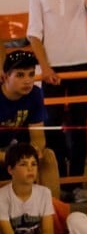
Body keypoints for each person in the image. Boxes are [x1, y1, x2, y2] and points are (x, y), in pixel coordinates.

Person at [27, 0, 87, 200]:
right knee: (52, 123)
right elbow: (34, 33)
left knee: (78, 124)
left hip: (81, 62)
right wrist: (44, 67)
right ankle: (58, 181)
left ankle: (75, 184)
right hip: (52, 67)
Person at [0, 142, 81, 234]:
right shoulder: (2, 195)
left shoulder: (44, 193)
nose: (30, 169)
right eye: (23, 164)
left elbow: (48, 232)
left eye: (34, 164)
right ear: (10, 170)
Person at [0, 50, 60, 199]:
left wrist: (35, 150)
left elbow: (38, 137)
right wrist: (12, 156)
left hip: (10, 148)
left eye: (31, 74)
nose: (27, 80)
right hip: (7, 152)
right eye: (20, 75)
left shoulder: (35, 94)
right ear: (6, 76)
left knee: (48, 156)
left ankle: (51, 211)